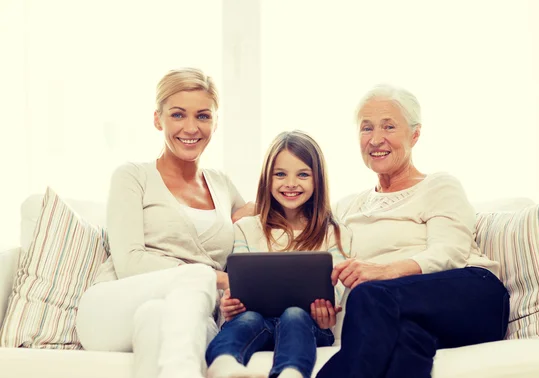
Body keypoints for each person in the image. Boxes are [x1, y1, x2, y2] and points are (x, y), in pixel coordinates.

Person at [315, 85, 509, 378]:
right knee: (405, 343)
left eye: (389, 126)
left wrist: (383, 271)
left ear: (415, 135)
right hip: (402, 313)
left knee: (368, 296)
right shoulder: (346, 206)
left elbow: (449, 253)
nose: (376, 139)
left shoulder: (439, 185)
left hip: (472, 297)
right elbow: (335, 266)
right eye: (366, 128)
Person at [75, 67, 254, 378]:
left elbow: (265, 220)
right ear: (158, 119)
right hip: (111, 308)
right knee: (195, 278)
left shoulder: (222, 185)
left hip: (192, 317)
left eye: (203, 116)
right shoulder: (133, 177)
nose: (191, 127)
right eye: (177, 115)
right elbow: (130, 262)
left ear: (215, 121)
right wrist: (217, 278)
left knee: (158, 318)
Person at [205, 131, 352, 378]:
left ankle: (291, 373)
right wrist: (229, 304)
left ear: (318, 181)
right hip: (254, 319)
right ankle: (224, 365)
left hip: (309, 326)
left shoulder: (334, 233)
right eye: (280, 174)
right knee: (247, 318)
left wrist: (326, 312)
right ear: (267, 179)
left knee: (294, 314)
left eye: (303, 174)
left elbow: (334, 291)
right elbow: (238, 282)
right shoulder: (246, 228)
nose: (291, 183)